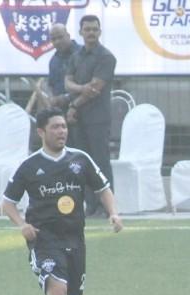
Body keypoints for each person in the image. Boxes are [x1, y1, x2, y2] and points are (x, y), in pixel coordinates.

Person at [2, 108, 123, 295]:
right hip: (44, 241)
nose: (62, 131)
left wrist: (113, 213)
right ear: (41, 132)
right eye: (56, 127)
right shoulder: (30, 166)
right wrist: (22, 225)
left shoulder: (80, 159)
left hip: (75, 240)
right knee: (57, 291)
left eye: (64, 127)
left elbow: (103, 188)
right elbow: (7, 203)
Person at [64, 14, 116, 215]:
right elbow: (67, 81)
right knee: (81, 163)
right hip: (79, 120)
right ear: (80, 32)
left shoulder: (106, 57)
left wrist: (74, 105)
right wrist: (81, 88)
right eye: (87, 29)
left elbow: (96, 88)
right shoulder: (76, 56)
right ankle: (90, 205)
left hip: (98, 118)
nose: (91, 33)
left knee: (100, 162)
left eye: (95, 29)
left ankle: (106, 207)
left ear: (100, 31)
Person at [46, 23, 80, 109]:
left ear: (68, 36)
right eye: (53, 39)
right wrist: (51, 99)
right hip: (61, 112)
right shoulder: (53, 60)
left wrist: (66, 98)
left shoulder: (83, 54)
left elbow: (88, 85)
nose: (57, 41)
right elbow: (50, 85)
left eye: (60, 37)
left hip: (82, 108)